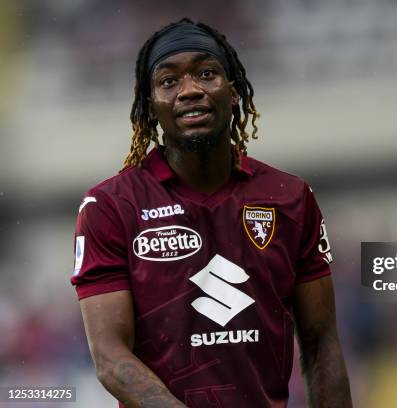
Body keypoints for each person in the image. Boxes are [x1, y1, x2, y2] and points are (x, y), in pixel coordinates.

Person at [70, 18, 352, 408]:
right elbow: (111, 358)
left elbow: (321, 344)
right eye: (169, 81)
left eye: (206, 74)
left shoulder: (290, 197)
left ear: (233, 92)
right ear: (150, 106)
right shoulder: (110, 207)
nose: (190, 91)